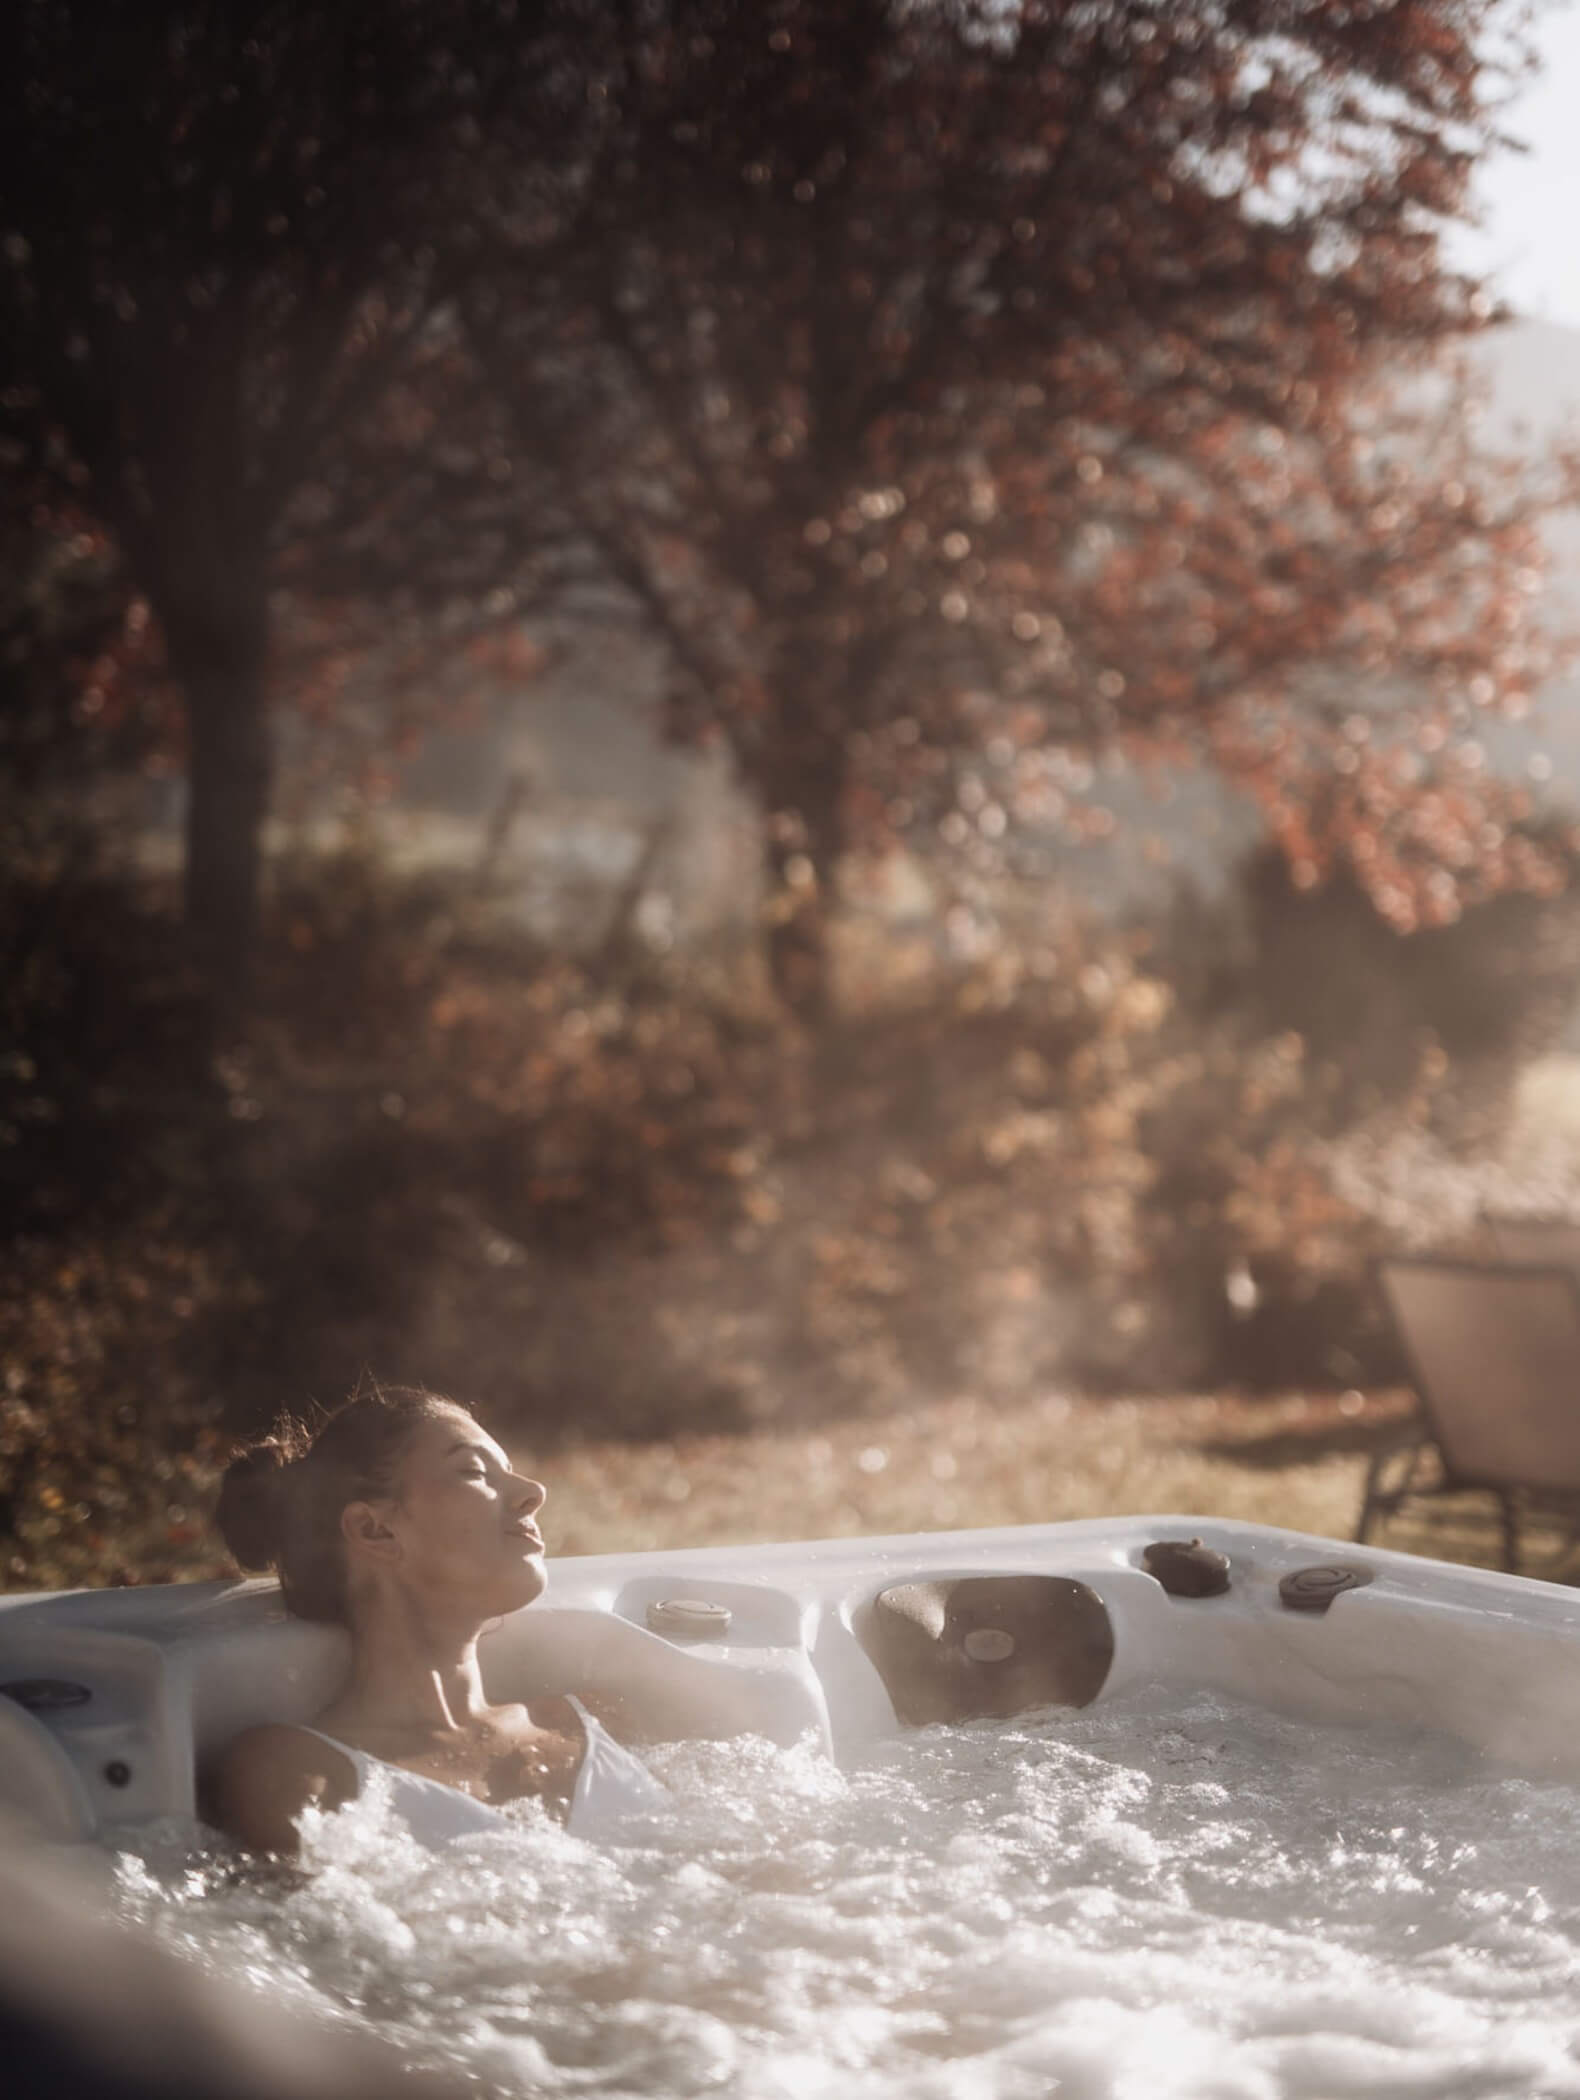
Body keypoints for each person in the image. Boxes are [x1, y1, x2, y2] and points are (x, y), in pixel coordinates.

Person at [210, 1383, 736, 1858]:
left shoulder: (594, 1719)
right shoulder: (299, 1772)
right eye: (475, 1472)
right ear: (374, 1531)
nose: (534, 1493)